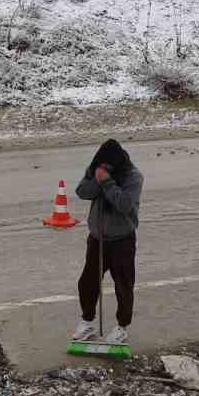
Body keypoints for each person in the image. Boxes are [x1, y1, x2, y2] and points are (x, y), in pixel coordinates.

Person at [74, 139, 144, 346]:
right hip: (97, 239)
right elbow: (82, 192)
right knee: (87, 282)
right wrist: (97, 180)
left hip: (122, 240)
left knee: (123, 285)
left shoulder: (133, 176)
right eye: (100, 164)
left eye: (107, 166)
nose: (103, 168)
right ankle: (87, 322)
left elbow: (124, 205)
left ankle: (122, 327)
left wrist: (107, 182)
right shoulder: (96, 168)